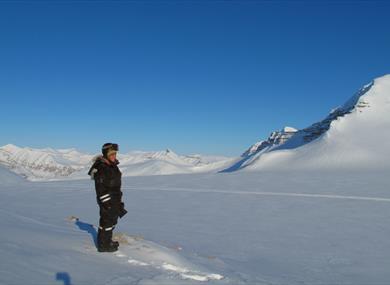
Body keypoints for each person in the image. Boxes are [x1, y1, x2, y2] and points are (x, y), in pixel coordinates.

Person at [88, 143, 127, 252]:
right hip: (107, 200)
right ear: (105, 154)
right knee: (106, 222)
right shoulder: (102, 167)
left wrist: (118, 201)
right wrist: (107, 203)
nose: (114, 156)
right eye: (111, 154)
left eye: (115, 153)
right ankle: (103, 245)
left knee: (112, 221)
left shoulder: (112, 165)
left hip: (114, 198)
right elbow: (100, 189)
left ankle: (107, 240)